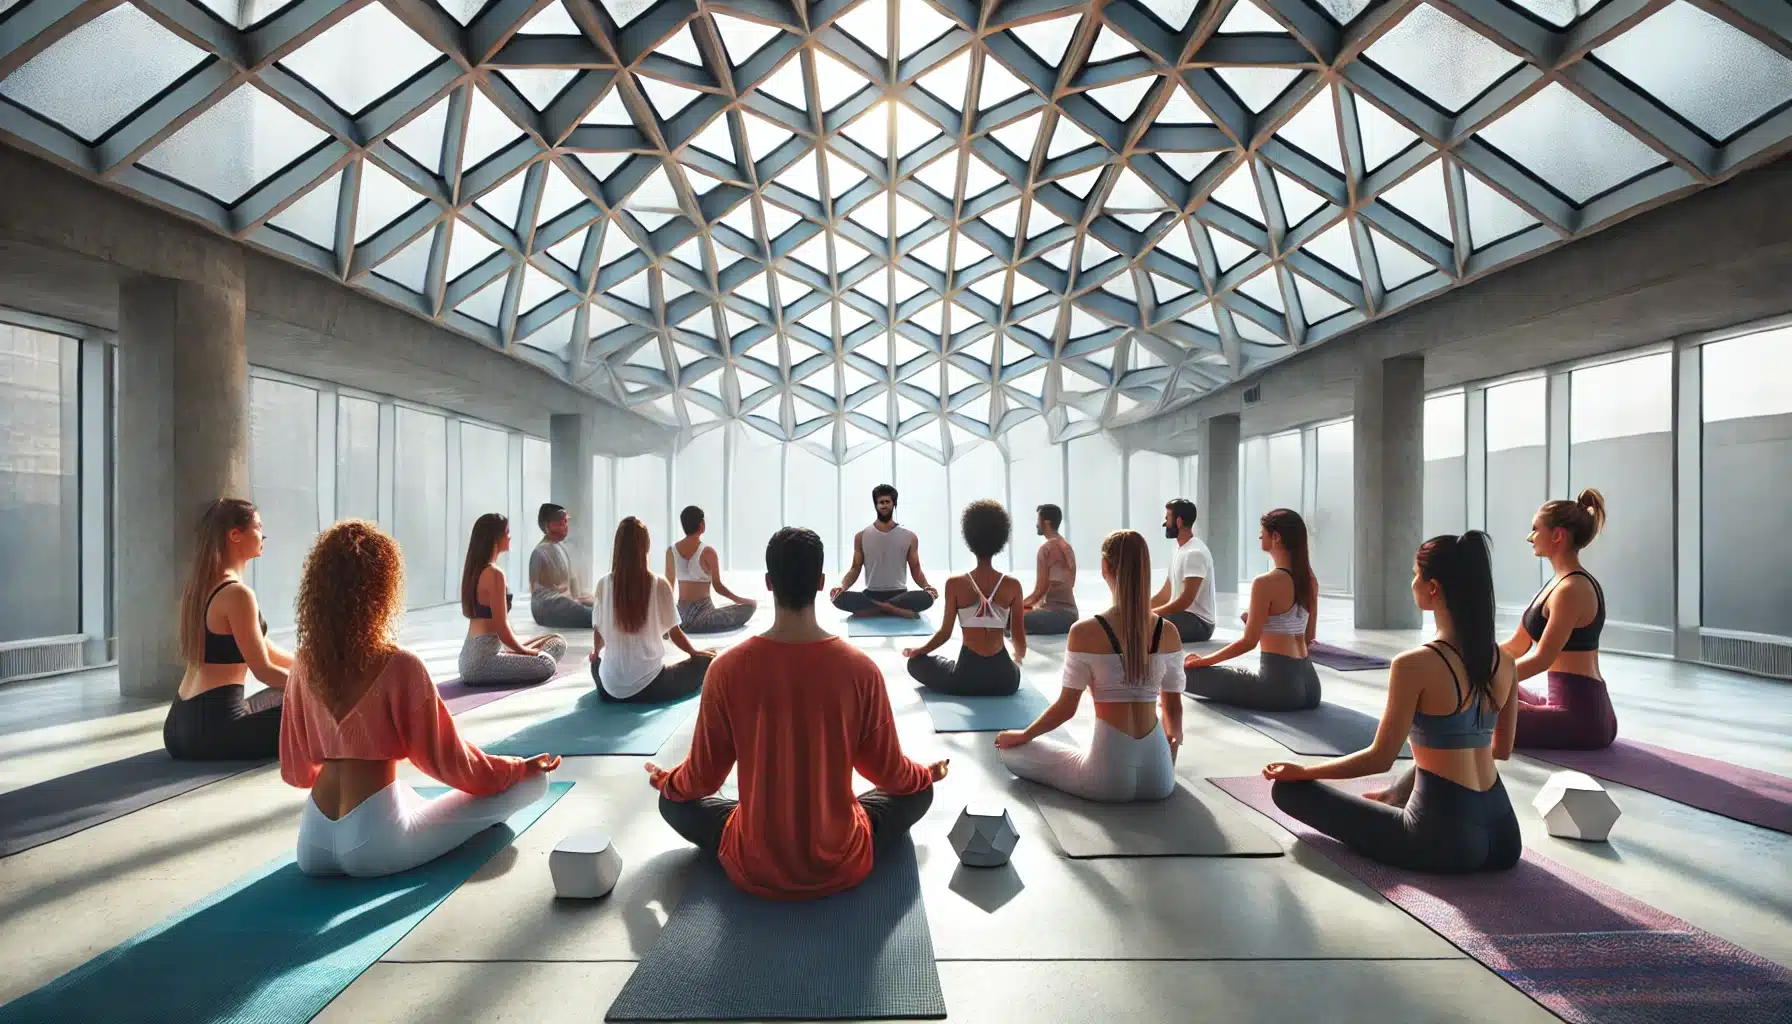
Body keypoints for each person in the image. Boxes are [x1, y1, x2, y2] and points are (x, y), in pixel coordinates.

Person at [648, 527, 949, 899]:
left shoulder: (726, 670)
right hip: (840, 857)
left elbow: (702, 779)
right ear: (822, 583)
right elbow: (888, 772)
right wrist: (924, 775)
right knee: (919, 794)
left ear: (769, 583)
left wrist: (669, 782)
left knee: (672, 802)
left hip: (754, 859)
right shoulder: (860, 670)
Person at [281, 519, 560, 878]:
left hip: (312, 840)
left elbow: (297, 772)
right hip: (373, 843)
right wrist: (517, 768)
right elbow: (452, 763)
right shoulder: (399, 666)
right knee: (535, 783)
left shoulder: (303, 665)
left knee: (405, 793)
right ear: (381, 591)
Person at [1263, 531, 1522, 874]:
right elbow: (1500, 750)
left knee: (1288, 791)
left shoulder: (1414, 664)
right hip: (1505, 833)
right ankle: (1393, 798)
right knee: (1421, 771)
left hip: (1445, 838)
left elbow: (1379, 758)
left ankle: (1393, 800)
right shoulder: (1504, 661)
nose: (1412, 581)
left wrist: (1304, 771)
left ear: (1433, 588)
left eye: (1416, 573)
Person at [996, 530, 1185, 802]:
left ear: (1105, 567)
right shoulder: (1168, 632)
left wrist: (1024, 735)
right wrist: (1169, 760)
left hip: (1108, 778)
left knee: (1010, 750)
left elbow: (1066, 708)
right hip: (1161, 777)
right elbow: (1173, 711)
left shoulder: (1084, 631)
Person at [164, 498, 293, 760]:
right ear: (235, 535)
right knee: (322, 708)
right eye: (258, 527)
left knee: (285, 693)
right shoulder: (237, 594)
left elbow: (267, 652)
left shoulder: (201, 589)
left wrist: (317, 673)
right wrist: (325, 693)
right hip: (216, 731)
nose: (263, 534)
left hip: (180, 726)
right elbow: (264, 670)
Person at [1502, 490, 1616, 750]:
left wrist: (1485, 685)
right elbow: (1516, 646)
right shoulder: (1556, 584)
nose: (1529, 537)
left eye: (1535, 529)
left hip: (1582, 716)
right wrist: (1471, 664)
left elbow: (1543, 658)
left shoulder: (1572, 589)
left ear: (1557, 535)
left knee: (1468, 714)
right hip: (1562, 705)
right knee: (1476, 700)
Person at [1184, 509, 1320, 711]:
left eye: (1262, 532)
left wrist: (1204, 661)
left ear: (1276, 537)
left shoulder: (1265, 582)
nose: (1259, 536)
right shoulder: (1310, 581)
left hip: (1280, 688)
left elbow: (1248, 642)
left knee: (1180, 674)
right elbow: (1308, 638)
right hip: (1310, 685)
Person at [903, 500, 1028, 696]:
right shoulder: (1013, 586)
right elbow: (1019, 639)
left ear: (969, 538)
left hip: (966, 678)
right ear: (1000, 539)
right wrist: (1017, 659)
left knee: (915, 663)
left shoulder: (955, 584)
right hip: (1005, 681)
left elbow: (944, 634)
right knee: (1013, 672)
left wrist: (920, 650)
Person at [593, 516, 715, 703]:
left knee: (595, 665)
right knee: (709, 660)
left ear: (617, 548)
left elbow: (598, 635)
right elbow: (674, 633)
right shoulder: (658, 584)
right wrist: (694, 653)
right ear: (646, 547)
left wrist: (596, 654)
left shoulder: (603, 584)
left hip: (610, 689)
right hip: (652, 687)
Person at [458, 513, 566, 686]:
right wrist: (524, 651)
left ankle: (511, 657)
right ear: (495, 538)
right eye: (507, 532)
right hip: (482, 661)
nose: (510, 537)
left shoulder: (475, 571)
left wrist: (521, 650)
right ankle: (515, 658)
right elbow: (501, 627)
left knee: (556, 640)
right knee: (546, 664)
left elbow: (500, 629)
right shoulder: (494, 574)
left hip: (472, 655)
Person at [830, 483, 937, 617]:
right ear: (876, 505)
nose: (884, 505)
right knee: (838, 598)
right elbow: (854, 569)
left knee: (927, 597)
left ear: (894, 504)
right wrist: (842, 587)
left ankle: (876, 609)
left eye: (887, 502)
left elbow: (916, 569)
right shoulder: (861, 536)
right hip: (871, 594)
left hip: (900, 595)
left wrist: (927, 587)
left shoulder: (910, 536)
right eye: (880, 502)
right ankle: (891, 609)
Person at [666, 505, 757, 634]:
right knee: (750, 606)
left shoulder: (671, 551)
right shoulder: (708, 552)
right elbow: (718, 586)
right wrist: (740, 600)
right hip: (704, 619)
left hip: (681, 619)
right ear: (702, 524)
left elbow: (668, 587)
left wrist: (668, 617)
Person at [1151, 498, 1215, 642]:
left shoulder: (1194, 553)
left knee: (1146, 625)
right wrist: (1138, 609)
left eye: (1168, 518)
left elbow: (1185, 600)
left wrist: (1149, 614)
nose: (1165, 523)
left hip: (1199, 623)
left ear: (1178, 521)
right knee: (1140, 622)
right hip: (1182, 616)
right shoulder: (1179, 550)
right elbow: (1165, 594)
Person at [529, 503, 593, 629]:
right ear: (550, 526)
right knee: (598, 617)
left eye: (566, 522)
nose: (566, 527)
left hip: (563, 604)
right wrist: (575, 602)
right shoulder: (540, 552)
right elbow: (541, 594)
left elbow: (569, 587)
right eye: (562, 522)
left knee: (597, 607)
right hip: (547, 608)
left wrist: (580, 600)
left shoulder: (560, 548)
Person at [1021, 503, 1078, 636]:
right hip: (1072, 616)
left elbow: (1040, 591)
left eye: (1038, 520)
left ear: (1046, 522)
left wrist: (1017, 606)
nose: (1036, 524)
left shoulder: (1046, 549)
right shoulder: (1067, 547)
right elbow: (1069, 584)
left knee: (1008, 617)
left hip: (1055, 617)